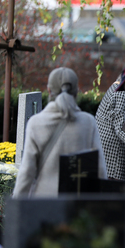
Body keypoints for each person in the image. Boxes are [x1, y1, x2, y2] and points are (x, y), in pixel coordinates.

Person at [13, 67, 108, 197]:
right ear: (76, 92)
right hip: (77, 204)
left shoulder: (35, 123)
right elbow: (100, 169)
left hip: (44, 202)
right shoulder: (88, 122)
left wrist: (17, 206)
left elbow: (27, 172)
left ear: (49, 90)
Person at [95, 75, 125, 180]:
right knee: (115, 191)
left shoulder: (117, 88)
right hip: (114, 155)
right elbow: (120, 128)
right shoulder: (121, 93)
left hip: (108, 152)